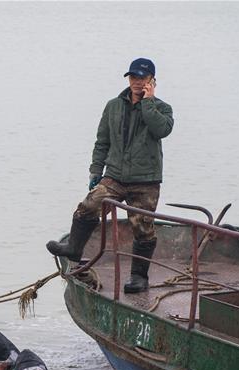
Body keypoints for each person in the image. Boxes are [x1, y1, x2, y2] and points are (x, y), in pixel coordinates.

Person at [46, 57, 174, 294]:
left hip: (146, 180)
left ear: (152, 81)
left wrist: (148, 102)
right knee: (88, 206)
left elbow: (161, 130)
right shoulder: (113, 106)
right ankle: (74, 248)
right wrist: (96, 170)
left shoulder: (162, 109)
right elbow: (102, 141)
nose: (137, 82)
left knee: (143, 228)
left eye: (143, 78)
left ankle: (139, 277)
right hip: (114, 176)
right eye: (133, 77)